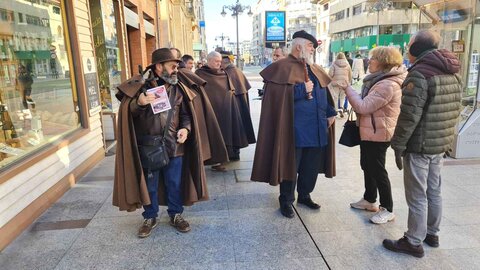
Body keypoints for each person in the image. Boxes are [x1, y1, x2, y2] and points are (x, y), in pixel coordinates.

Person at [113, 48, 210, 238]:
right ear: (159, 66)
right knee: (150, 185)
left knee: (174, 182)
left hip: (174, 144)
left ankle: (175, 214)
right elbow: (129, 116)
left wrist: (186, 129)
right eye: (173, 66)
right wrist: (139, 104)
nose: (176, 70)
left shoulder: (178, 87)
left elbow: (185, 115)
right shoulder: (140, 87)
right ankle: (150, 217)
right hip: (149, 146)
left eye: (177, 66)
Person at [382, 30, 462, 258]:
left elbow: (409, 116)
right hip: (440, 144)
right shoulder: (453, 71)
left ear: (418, 48)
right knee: (434, 190)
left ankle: (413, 241)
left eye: (410, 44)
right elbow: (454, 110)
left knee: (417, 194)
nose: (407, 48)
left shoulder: (420, 74)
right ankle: (432, 233)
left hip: (420, 145)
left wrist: (398, 145)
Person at [251, 30, 336, 218]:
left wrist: (331, 113)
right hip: (294, 130)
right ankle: (286, 200)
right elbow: (275, 97)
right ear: (299, 46)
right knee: (291, 165)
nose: (313, 49)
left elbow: (323, 93)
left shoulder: (314, 68)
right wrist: (299, 90)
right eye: (310, 46)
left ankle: (304, 195)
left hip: (317, 128)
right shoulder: (282, 67)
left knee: (310, 166)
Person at [337, 46, 407, 224]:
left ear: (384, 63)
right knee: (367, 166)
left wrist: (348, 89)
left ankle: (388, 208)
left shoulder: (387, 84)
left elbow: (363, 107)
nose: (370, 61)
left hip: (378, 133)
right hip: (370, 131)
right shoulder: (379, 80)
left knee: (377, 170)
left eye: (373, 59)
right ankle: (369, 200)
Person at [195, 51, 255, 169]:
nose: (219, 64)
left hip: (224, 109)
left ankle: (224, 158)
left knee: (226, 133)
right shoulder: (199, 74)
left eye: (220, 61)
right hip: (208, 109)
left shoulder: (224, 74)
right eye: (216, 61)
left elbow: (230, 90)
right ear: (209, 60)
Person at [328, 52, 352, 117]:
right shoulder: (348, 65)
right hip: (344, 84)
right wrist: (348, 82)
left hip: (335, 83)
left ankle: (336, 111)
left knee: (335, 97)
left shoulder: (334, 64)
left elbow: (330, 74)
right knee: (342, 97)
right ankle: (341, 108)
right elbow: (350, 75)